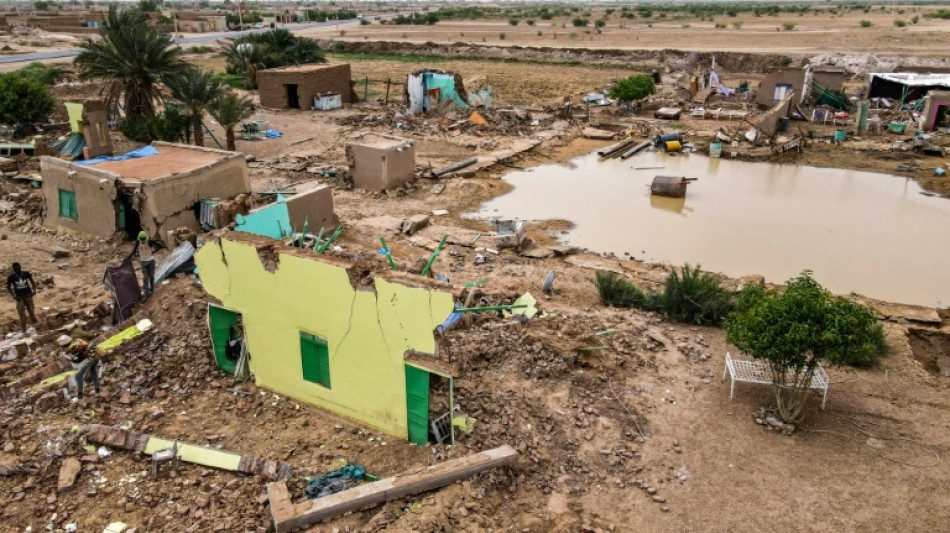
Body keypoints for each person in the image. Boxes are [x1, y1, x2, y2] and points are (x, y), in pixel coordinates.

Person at [6, 262, 37, 332]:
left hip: (28, 295)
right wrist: (14, 296)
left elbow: (32, 281)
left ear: (20, 267)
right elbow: (8, 287)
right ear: (13, 269)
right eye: (15, 269)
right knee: (21, 314)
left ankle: (37, 326)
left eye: (17, 268)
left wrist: (34, 290)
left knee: (31, 311)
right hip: (19, 297)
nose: (16, 270)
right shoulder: (11, 277)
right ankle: (24, 331)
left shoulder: (26, 273)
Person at [126, 231, 156, 297]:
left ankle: (152, 289)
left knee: (151, 276)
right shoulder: (138, 242)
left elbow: (158, 246)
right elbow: (133, 251)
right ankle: (146, 293)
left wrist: (153, 252)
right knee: (145, 277)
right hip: (143, 262)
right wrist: (126, 258)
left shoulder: (149, 241)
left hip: (151, 261)